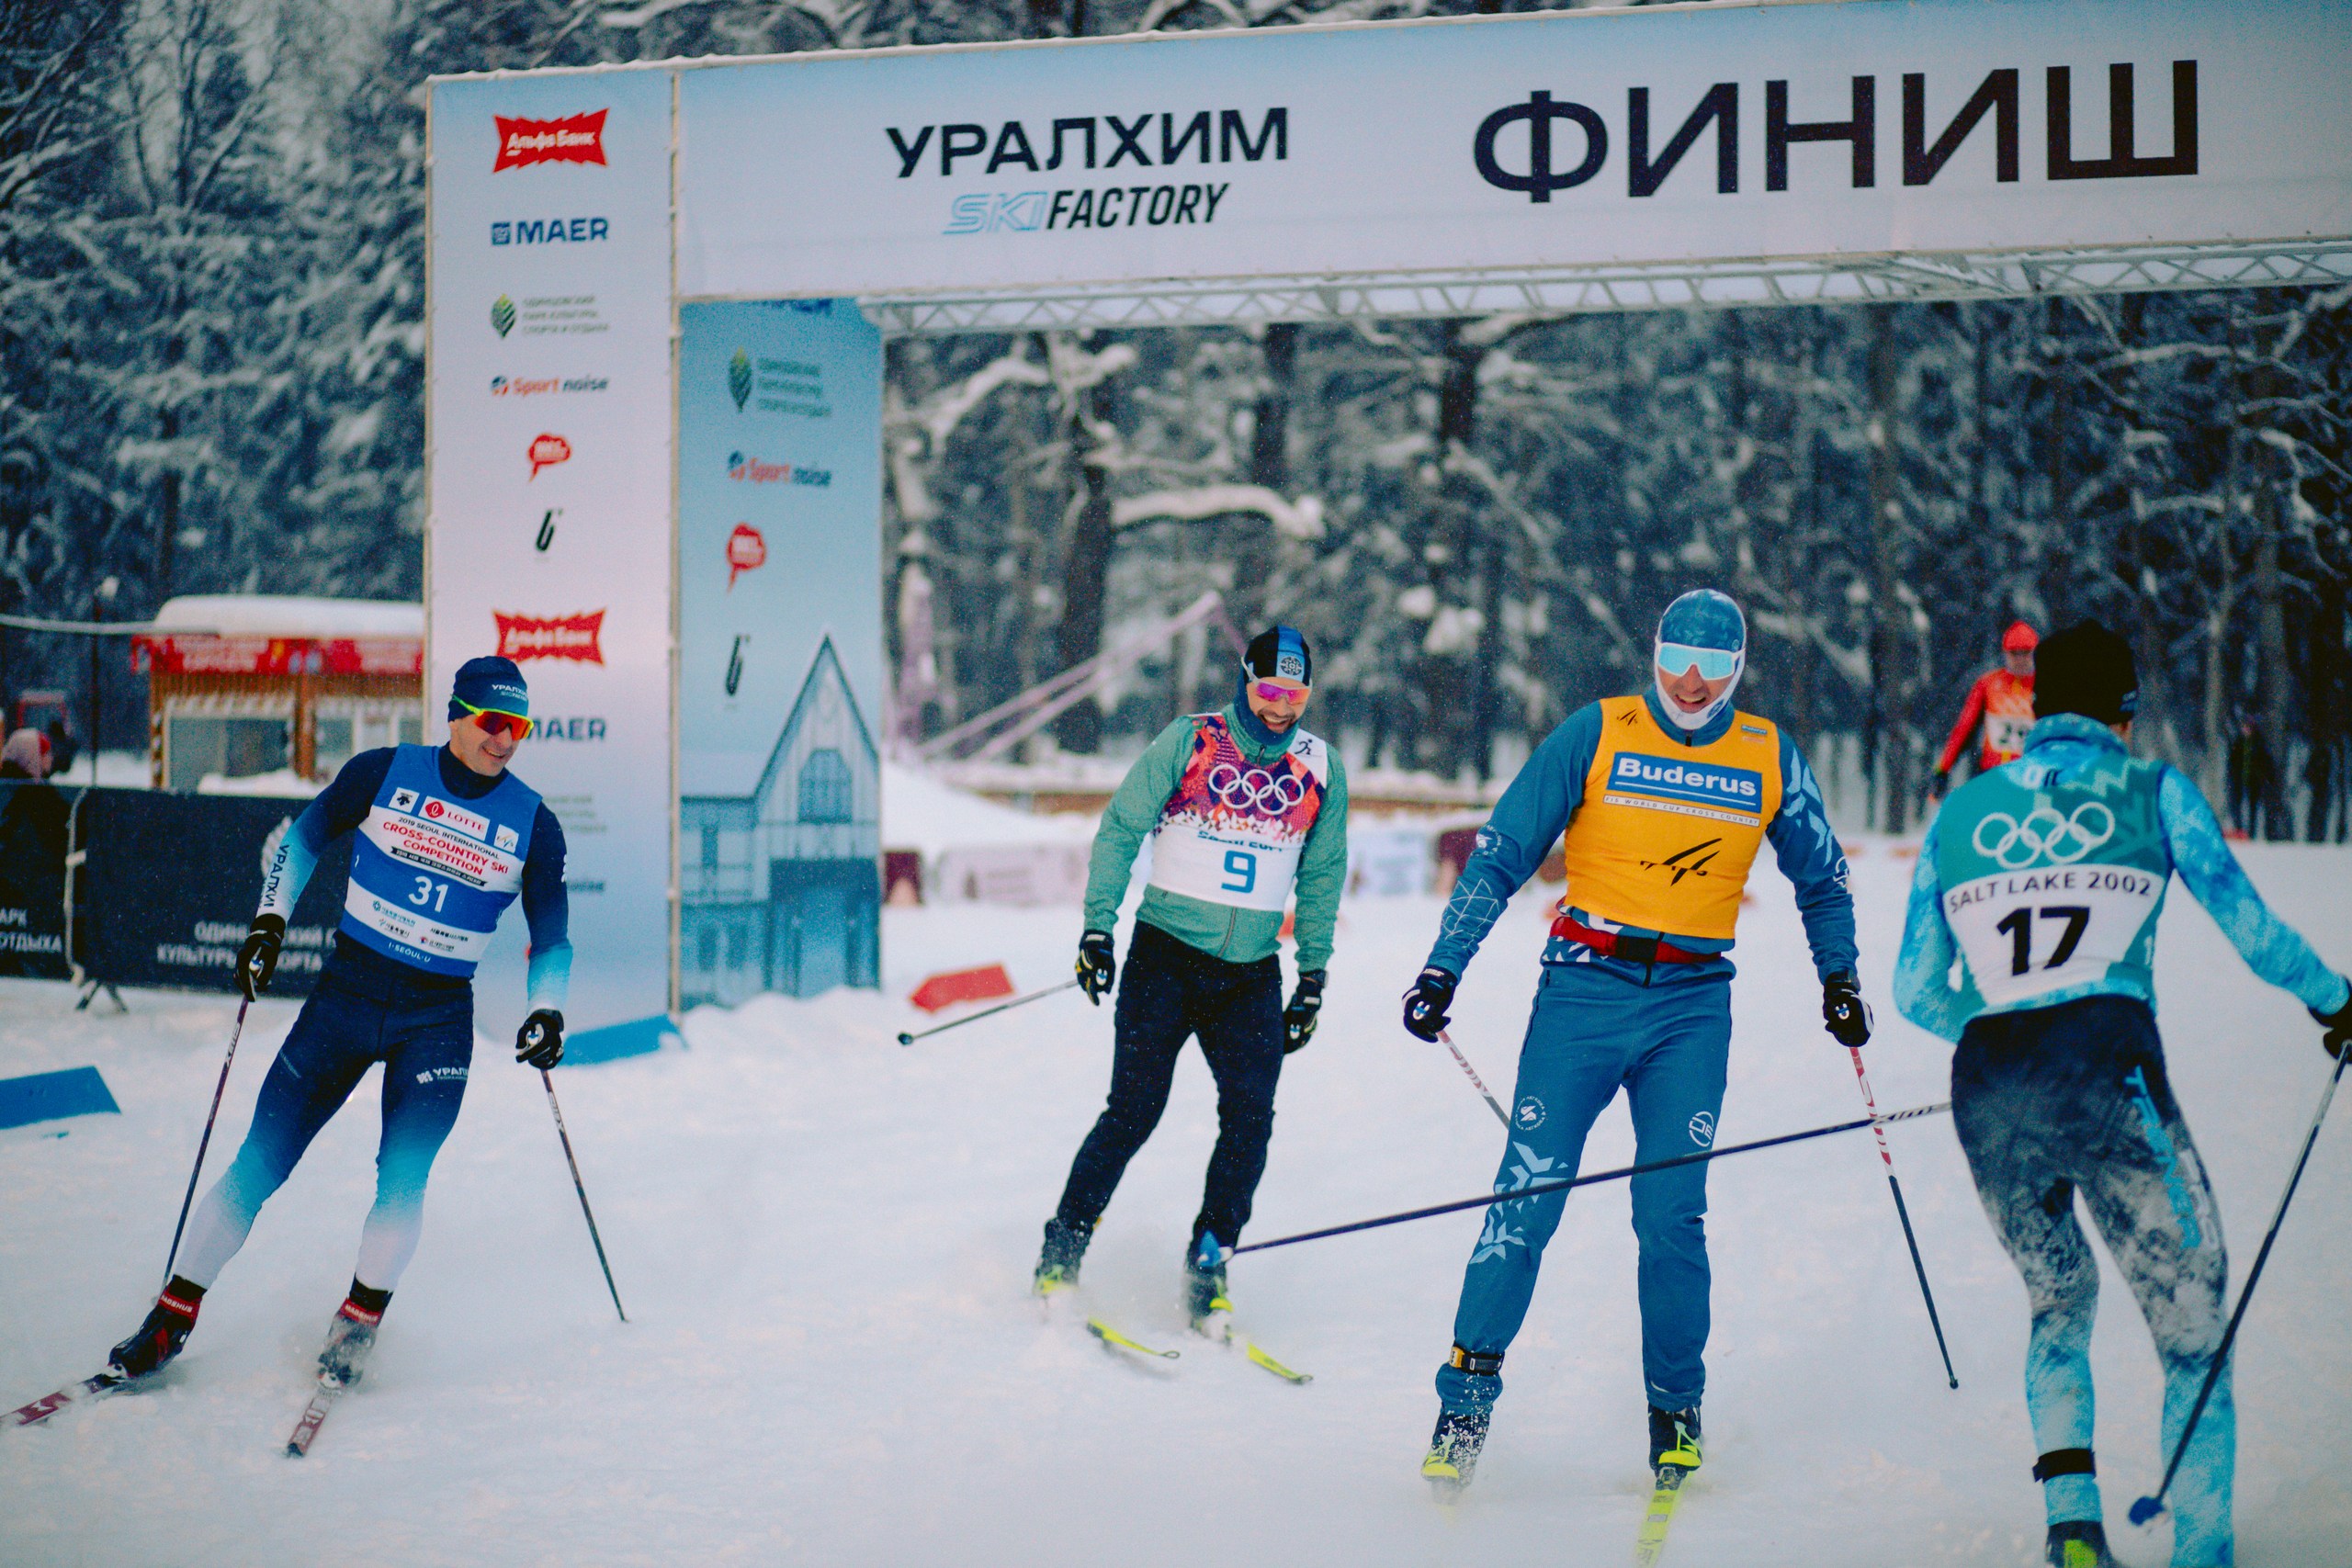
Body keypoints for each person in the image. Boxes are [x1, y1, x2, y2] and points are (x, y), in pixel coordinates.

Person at [1894, 621, 2352, 1568]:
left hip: (1987, 1083)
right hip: (2105, 1069)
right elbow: (2253, 931)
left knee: (2057, 1304)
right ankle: (2201, 1551)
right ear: (2125, 712)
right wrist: (2337, 1004)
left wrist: (2001, 1028)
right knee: (2189, 1318)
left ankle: (2072, 1532)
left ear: (2031, 706)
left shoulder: (1960, 811)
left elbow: (1911, 987)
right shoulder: (2151, 790)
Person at [1399, 588, 1862, 1492]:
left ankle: (1675, 1411)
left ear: (1738, 670)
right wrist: (1441, 968)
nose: (1691, 684)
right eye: (1676, 662)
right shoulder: (1596, 731)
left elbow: (1825, 879)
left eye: (1715, 668)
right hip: (1584, 987)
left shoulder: (1767, 755)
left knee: (1668, 1216)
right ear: (1651, 654)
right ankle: (1465, 1399)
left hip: (1690, 1005)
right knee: (1526, 1195)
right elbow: (1499, 853)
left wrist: (1837, 976)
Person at [106, 657, 573, 1390]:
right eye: (493, 722)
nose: (506, 740)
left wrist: (547, 1008)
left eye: (520, 727)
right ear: (455, 714)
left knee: (403, 1177)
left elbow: (552, 935)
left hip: (438, 1015)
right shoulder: (383, 770)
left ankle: (357, 1323)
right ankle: (170, 1315)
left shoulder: (534, 823)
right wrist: (268, 925)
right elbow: (302, 838)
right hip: (348, 993)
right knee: (260, 1159)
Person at [1034, 626, 1349, 1329]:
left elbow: (1323, 874)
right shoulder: (1190, 739)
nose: (1280, 708)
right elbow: (1120, 828)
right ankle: (1063, 1248)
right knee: (1133, 1111)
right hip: (1165, 959)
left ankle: (1210, 1257)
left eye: (1295, 695)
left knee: (1250, 1121)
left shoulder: (1321, 765)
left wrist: (1314, 976)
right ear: (1244, 679)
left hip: (1250, 977)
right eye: (1268, 690)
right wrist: (1097, 927)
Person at [1935, 620, 2040, 794]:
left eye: (2026, 653)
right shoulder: (1988, 684)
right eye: (2014, 653)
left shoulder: (2046, 685)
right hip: (1993, 774)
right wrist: (1943, 769)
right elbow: (1964, 729)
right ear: (2006, 653)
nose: (2020, 659)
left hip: (2031, 776)